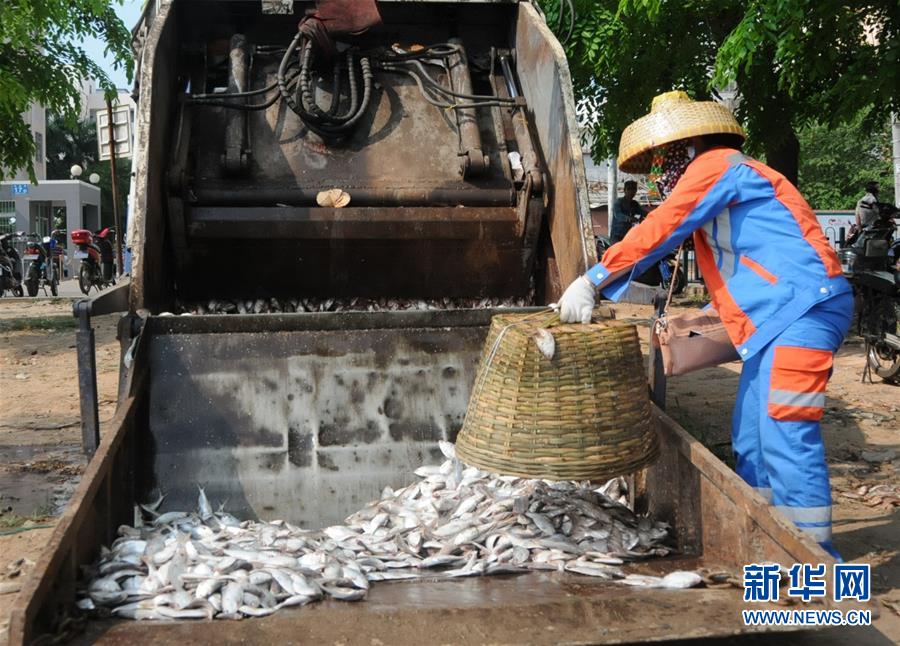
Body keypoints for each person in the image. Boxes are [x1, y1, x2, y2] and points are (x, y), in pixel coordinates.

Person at [557, 91, 853, 560]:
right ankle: (769, 545)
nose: (660, 171)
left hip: (802, 310)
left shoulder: (717, 166)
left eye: (664, 158)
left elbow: (661, 227)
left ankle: (814, 562)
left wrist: (593, 279)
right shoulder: (725, 175)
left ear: (690, 145)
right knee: (751, 440)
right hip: (778, 318)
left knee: (785, 431)